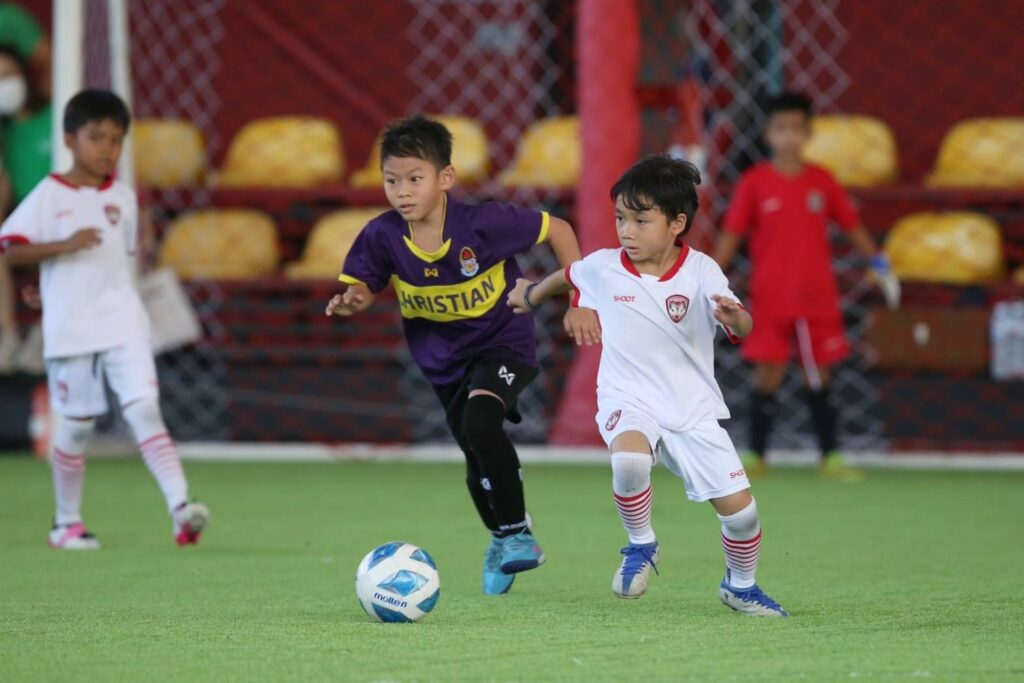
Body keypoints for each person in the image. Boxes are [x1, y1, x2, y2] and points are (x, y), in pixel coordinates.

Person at [326, 114, 598, 595]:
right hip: (443, 362)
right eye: (392, 181)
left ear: (445, 178)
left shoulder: (484, 224)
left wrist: (580, 298)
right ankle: (500, 537)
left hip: (504, 342)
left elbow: (558, 229)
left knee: (480, 421)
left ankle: (518, 534)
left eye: (415, 179)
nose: (402, 192)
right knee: (473, 451)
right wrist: (354, 301)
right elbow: (364, 286)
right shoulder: (382, 235)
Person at [507, 154, 788, 616]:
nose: (627, 231)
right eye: (621, 218)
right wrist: (530, 295)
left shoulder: (702, 271)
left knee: (742, 515)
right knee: (631, 459)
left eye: (641, 220)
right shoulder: (605, 266)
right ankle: (641, 542)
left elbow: (743, 324)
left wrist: (735, 317)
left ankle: (740, 586)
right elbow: (568, 275)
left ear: (677, 223)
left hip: (692, 409)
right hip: (628, 396)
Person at [0, 89, 208, 549]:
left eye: (115, 139)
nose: (107, 148)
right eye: (96, 137)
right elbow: (10, 247)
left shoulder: (124, 199)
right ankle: (66, 522)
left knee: (144, 409)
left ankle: (181, 508)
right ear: (69, 140)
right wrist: (64, 246)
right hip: (71, 326)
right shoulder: (50, 194)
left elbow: (122, 261)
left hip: (121, 319)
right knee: (77, 425)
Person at [713, 91, 899, 479]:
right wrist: (707, 279)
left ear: (809, 133)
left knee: (819, 377)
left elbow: (852, 227)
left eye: (797, 128)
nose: (789, 136)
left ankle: (830, 457)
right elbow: (731, 237)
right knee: (767, 375)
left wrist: (879, 263)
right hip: (770, 300)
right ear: (768, 134)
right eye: (781, 128)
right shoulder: (754, 183)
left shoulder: (822, 181)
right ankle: (755, 457)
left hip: (817, 300)